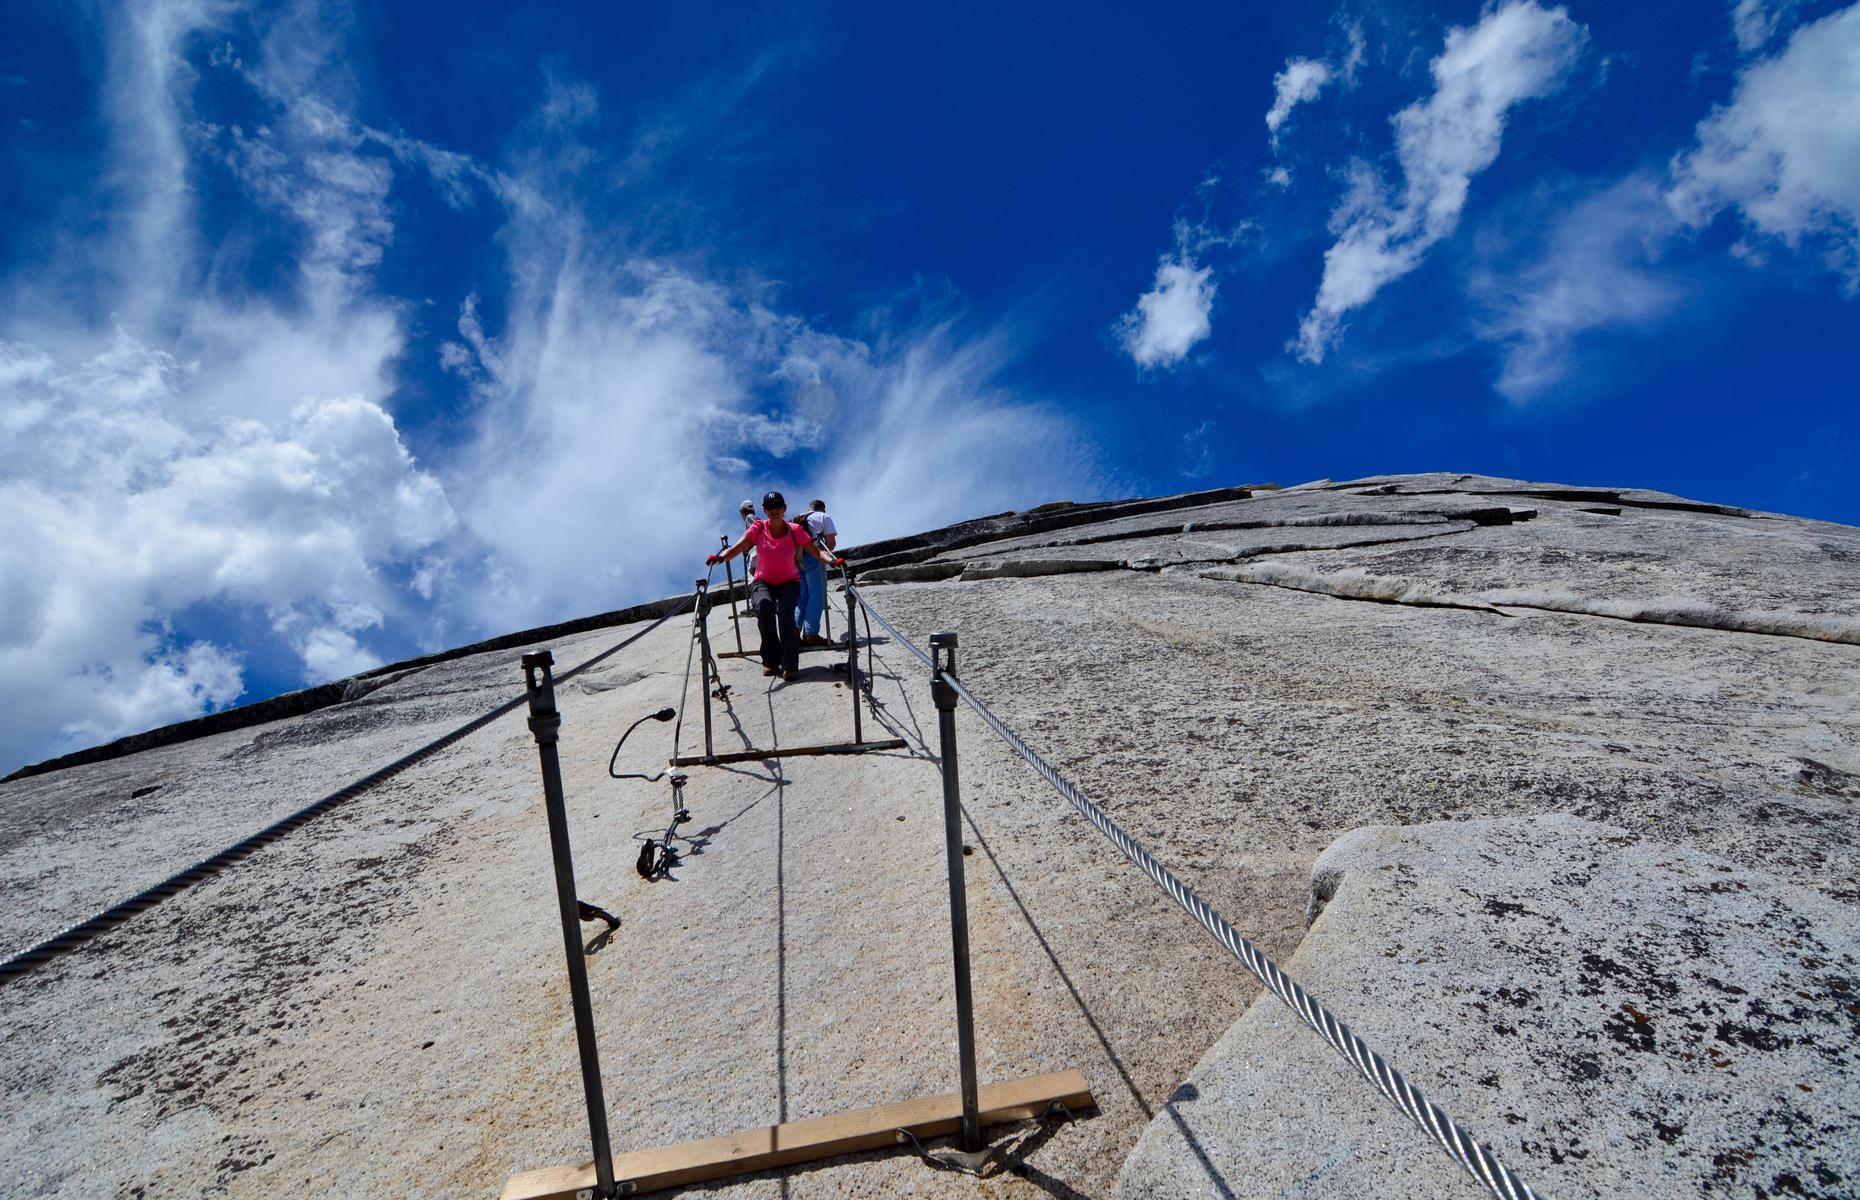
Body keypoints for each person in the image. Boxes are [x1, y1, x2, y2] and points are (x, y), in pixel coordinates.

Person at [709, 492, 843, 681]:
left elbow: (816, 552)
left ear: (784, 508)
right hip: (763, 581)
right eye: (769, 507)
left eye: (777, 506)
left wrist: (833, 562)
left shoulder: (795, 529)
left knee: (786, 615)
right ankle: (770, 660)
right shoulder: (758, 527)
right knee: (764, 608)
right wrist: (721, 557)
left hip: (789, 582)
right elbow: (739, 547)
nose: (774, 510)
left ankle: (790, 664)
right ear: (764, 510)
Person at [793, 499, 839, 646]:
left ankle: (793, 633)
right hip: (813, 555)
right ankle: (810, 633)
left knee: (801, 597)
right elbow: (830, 544)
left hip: (796, 559)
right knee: (816, 595)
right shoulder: (823, 517)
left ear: (809, 508)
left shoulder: (798, 518)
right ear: (823, 509)